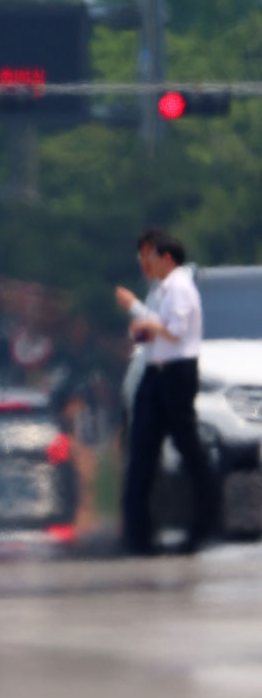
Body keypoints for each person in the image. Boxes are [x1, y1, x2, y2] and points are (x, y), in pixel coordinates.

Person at [121, 231, 216, 555]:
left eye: (149, 256)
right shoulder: (159, 291)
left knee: (188, 447)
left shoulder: (180, 287)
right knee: (142, 450)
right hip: (155, 372)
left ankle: (205, 524)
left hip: (176, 373)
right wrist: (142, 329)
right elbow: (154, 333)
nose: (144, 264)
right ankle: (138, 534)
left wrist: (134, 309)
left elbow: (174, 332)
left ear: (167, 258)